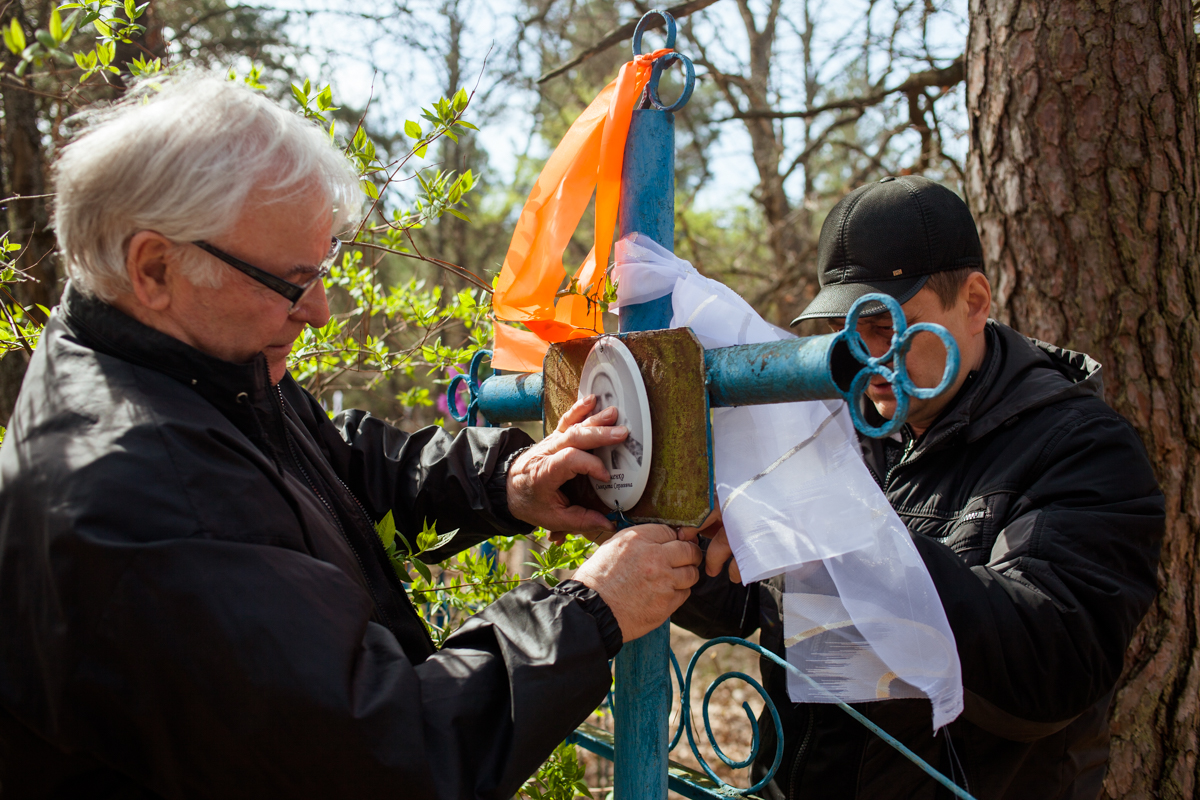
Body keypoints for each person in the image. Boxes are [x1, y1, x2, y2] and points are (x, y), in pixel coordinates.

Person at [0, 73, 702, 799]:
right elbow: (374, 753)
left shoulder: (174, 366)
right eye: (293, 281)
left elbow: (334, 464)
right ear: (155, 266)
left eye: (324, 269)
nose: (322, 312)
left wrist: (505, 482)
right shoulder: (136, 498)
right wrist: (588, 613)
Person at [674, 176, 1164, 799]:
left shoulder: (1082, 447)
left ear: (976, 300)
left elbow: (1056, 663)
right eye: (847, 328)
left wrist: (840, 538)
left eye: (886, 324)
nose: (866, 355)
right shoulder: (846, 427)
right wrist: (665, 524)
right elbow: (754, 603)